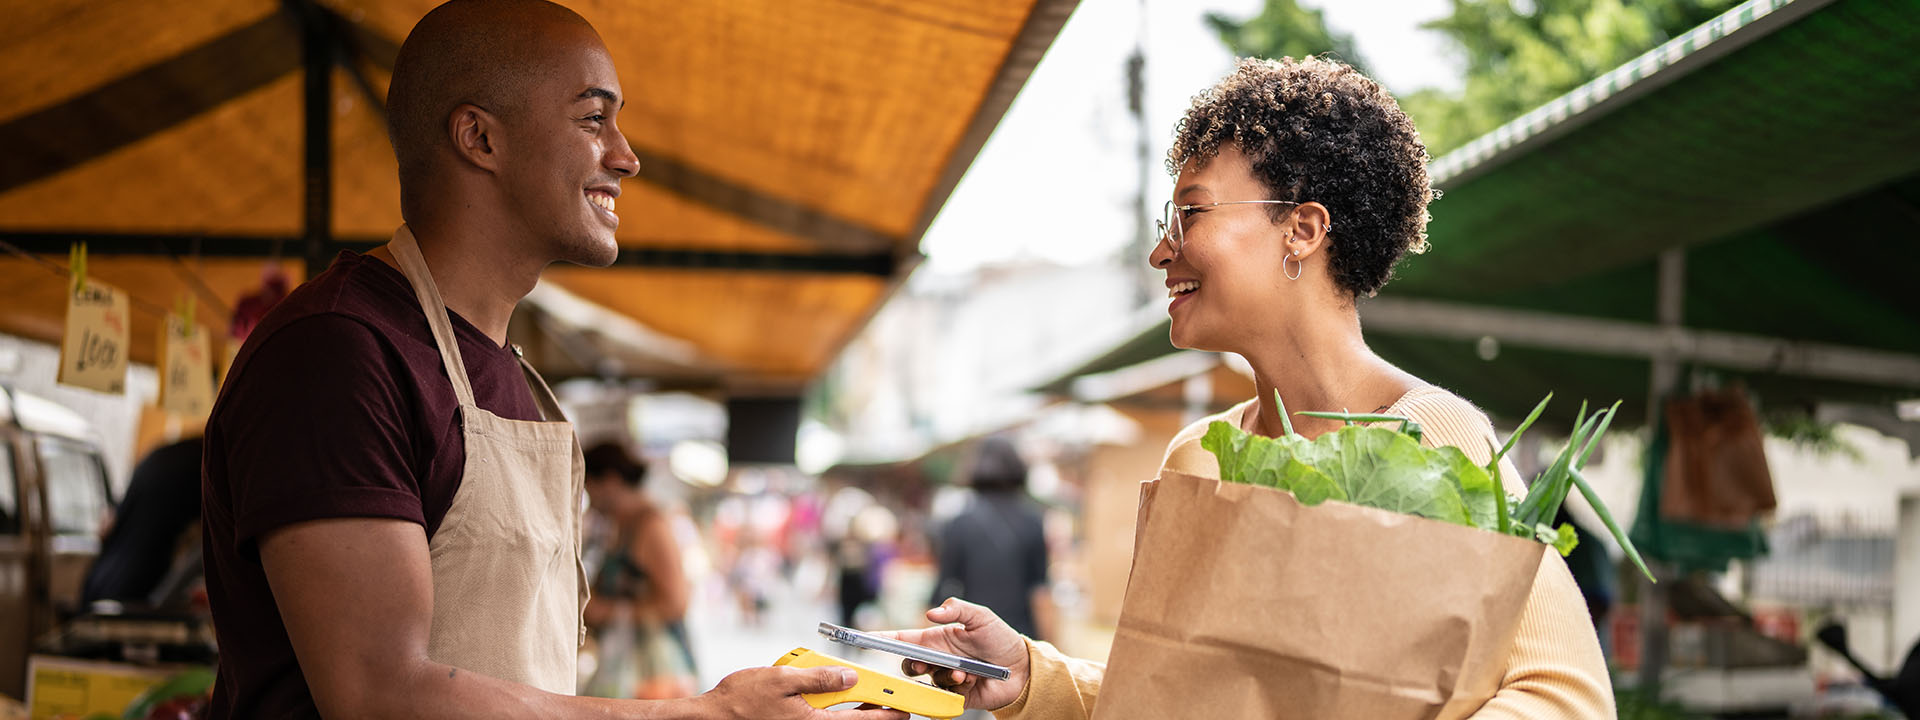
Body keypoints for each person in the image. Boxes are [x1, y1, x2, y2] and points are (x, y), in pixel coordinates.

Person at [199, 2, 902, 718]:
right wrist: (704, 714)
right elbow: (381, 692)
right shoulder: (336, 350)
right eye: (594, 118)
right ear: (479, 138)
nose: (626, 156)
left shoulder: (521, 383)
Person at [884, 57, 1613, 719]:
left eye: (1190, 213)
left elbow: (1565, 696)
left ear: (1303, 229)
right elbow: (1177, 701)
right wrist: (1031, 673)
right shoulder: (1197, 458)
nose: (1161, 249)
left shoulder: (1432, 436)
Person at [580, 442, 696, 699]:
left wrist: (609, 612)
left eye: (588, 485)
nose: (588, 495)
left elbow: (676, 603)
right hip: (628, 661)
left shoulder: (651, 527)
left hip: (655, 667)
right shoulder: (619, 527)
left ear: (611, 480)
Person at [930, 437, 1052, 642]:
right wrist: (1049, 649)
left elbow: (941, 589)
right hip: (1021, 640)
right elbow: (1040, 594)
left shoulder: (959, 523)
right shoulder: (1032, 520)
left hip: (974, 638)